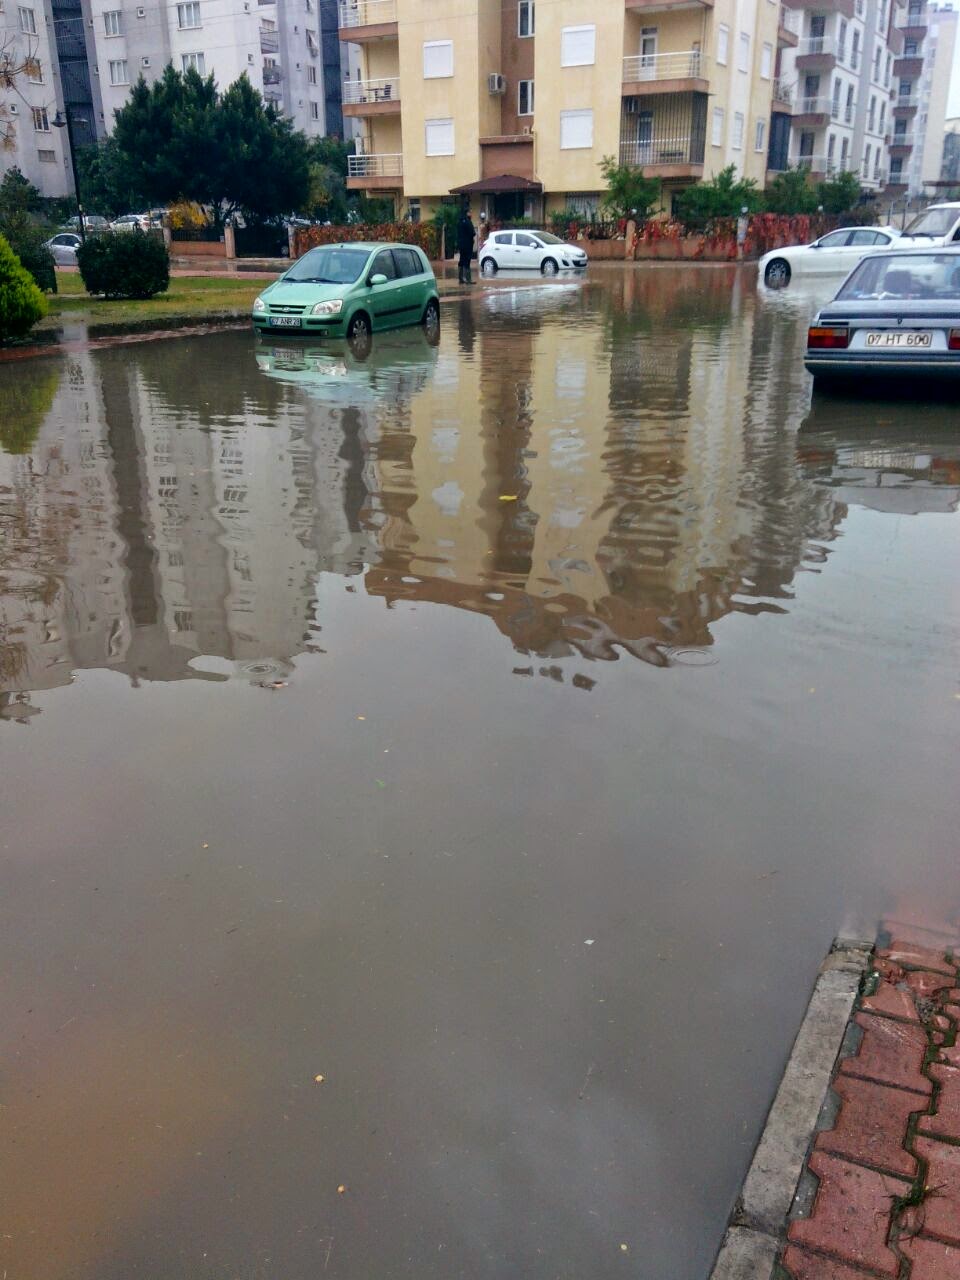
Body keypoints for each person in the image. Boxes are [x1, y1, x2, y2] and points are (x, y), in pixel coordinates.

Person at [457, 206, 476, 285]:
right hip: (468, 244)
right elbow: (473, 233)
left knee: (461, 260)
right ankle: (468, 280)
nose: (471, 214)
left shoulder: (460, 221)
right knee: (467, 261)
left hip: (461, 244)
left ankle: (461, 278)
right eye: (470, 212)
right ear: (467, 213)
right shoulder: (468, 221)